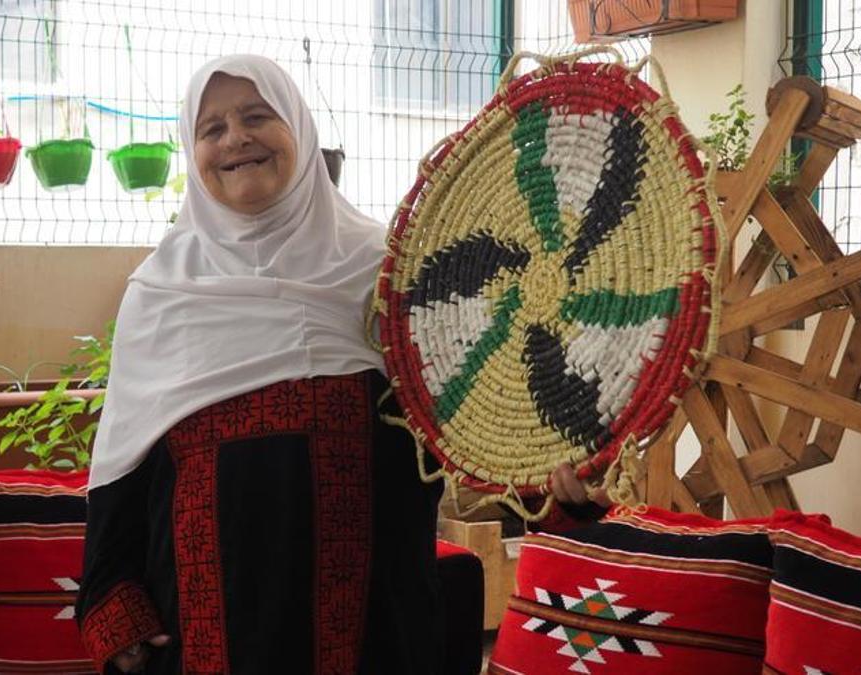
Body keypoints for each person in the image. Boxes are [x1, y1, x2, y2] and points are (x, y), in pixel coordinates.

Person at [74, 54, 608, 675]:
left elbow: (478, 409)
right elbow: (121, 466)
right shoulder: (161, 292)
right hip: (208, 635)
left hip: (376, 625)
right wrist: (116, 608)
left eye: (256, 116)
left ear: (299, 129)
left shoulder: (391, 272)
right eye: (211, 128)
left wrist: (555, 480)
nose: (235, 139)